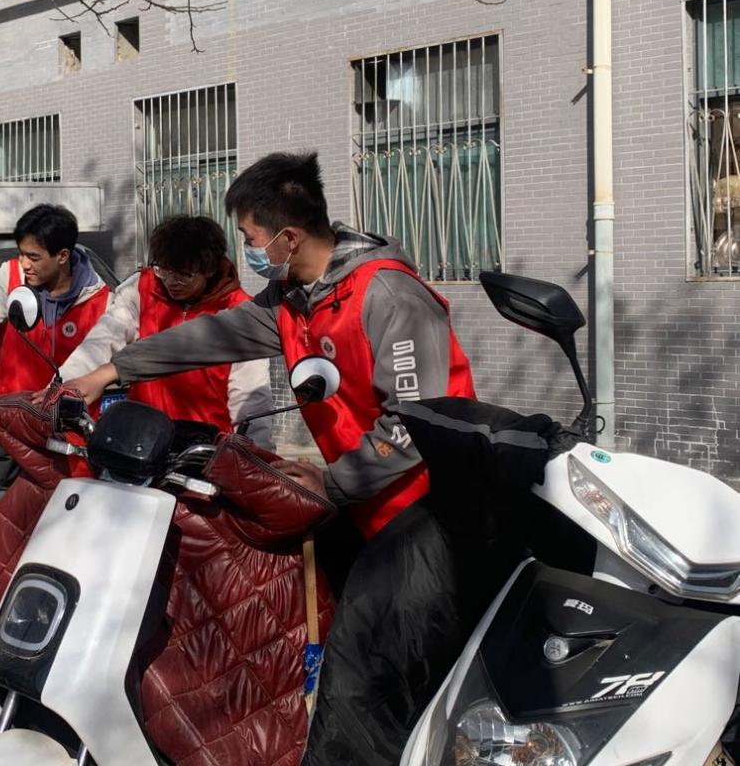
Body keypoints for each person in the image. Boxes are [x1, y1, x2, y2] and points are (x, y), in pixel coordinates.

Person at [66, 151, 480, 764]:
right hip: (364, 508)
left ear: (288, 237)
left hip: (428, 516)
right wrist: (112, 370)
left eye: (251, 237)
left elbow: (418, 426)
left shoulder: (387, 293)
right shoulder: (293, 300)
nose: (248, 250)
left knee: (372, 680)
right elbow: (211, 336)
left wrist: (331, 481)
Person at [58, 214, 275, 445]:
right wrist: (63, 386)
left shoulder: (240, 313)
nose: (171, 281)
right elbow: (103, 339)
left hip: (205, 446)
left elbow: (251, 398)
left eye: (184, 274)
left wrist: (255, 452)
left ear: (209, 269)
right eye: (164, 270)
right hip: (140, 440)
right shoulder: (141, 288)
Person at [0, 204, 110, 394]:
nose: (24, 264)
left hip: (66, 410)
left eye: (33, 257)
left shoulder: (102, 302)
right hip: (8, 407)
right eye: (21, 253)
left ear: (62, 256)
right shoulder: (10, 276)